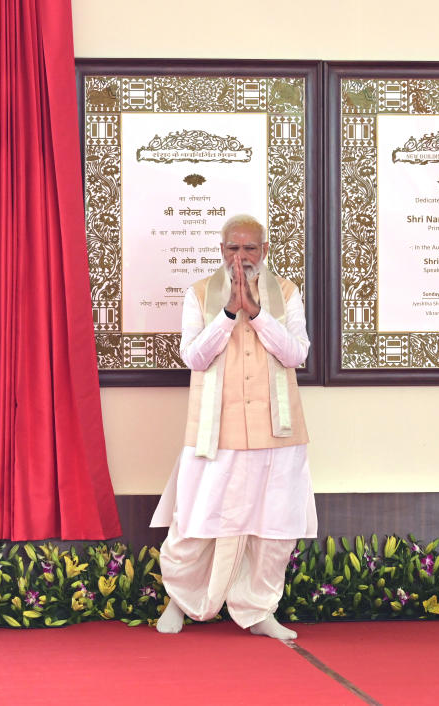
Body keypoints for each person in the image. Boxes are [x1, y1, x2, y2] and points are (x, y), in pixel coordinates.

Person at [150, 214, 316, 638]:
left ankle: (259, 611)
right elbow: (195, 358)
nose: (240, 258)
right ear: (221, 250)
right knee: (196, 519)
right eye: (233, 248)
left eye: (250, 248)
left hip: (276, 431)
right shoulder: (201, 294)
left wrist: (258, 314)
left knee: (273, 528)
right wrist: (227, 314)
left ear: (264, 250)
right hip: (214, 431)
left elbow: (297, 355)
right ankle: (180, 601)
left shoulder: (288, 294)